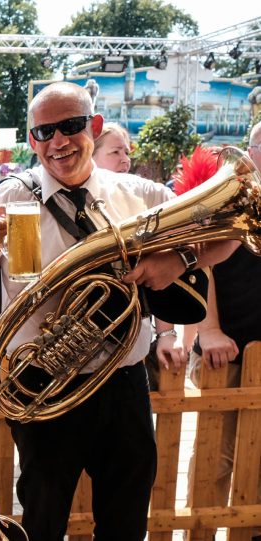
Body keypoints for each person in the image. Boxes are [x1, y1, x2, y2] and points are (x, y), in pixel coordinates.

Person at [0, 81, 237, 540]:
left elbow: (229, 234)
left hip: (122, 383)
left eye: (71, 126)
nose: (58, 142)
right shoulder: (10, 197)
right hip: (43, 385)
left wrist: (177, 260)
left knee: (126, 517)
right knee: (44, 516)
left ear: (94, 126)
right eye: (44, 132)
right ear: (31, 139)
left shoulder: (141, 194)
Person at [184, 122, 261, 540]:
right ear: (249, 150)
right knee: (218, 457)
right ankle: (201, 533)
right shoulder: (224, 194)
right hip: (224, 350)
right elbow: (199, 262)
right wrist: (209, 329)